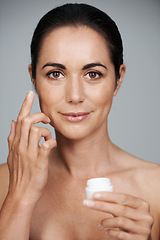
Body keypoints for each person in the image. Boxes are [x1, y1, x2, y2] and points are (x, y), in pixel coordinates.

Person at [0, 3, 159, 239]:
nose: (75, 96)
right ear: (33, 77)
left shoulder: (155, 188)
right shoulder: (5, 183)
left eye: (93, 74)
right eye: (55, 73)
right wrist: (19, 197)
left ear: (118, 79)